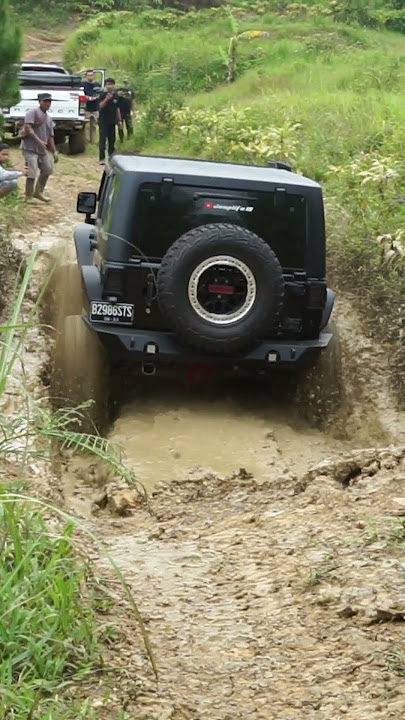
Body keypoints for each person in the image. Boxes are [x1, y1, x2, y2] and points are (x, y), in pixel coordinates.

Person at [20, 92, 58, 204]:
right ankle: (28, 196)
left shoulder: (49, 118)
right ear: (40, 102)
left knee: (47, 169)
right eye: (45, 101)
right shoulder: (32, 113)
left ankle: (38, 192)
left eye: (49, 101)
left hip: (42, 149)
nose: (47, 103)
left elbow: (50, 136)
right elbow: (28, 128)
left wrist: (54, 151)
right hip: (29, 147)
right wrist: (39, 141)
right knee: (32, 170)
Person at [98, 78, 122, 166]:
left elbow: (117, 108)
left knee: (112, 140)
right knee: (102, 140)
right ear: (105, 85)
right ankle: (102, 158)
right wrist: (106, 99)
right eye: (108, 84)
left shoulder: (116, 95)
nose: (110, 86)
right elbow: (100, 106)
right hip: (103, 121)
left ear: (114, 85)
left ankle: (111, 157)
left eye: (111, 84)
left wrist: (119, 120)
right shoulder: (102, 95)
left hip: (112, 121)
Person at [83, 69, 101, 145]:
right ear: (86, 76)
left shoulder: (97, 84)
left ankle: (92, 141)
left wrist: (96, 97)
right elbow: (81, 94)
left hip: (95, 108)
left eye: (91, 75)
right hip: (86, 108)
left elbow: (100, 94)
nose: (90, 77)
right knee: (86, 126)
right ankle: (87, 141)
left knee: (94, 125)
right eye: (89, 75)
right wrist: (87, 98)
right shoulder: (83, 84)